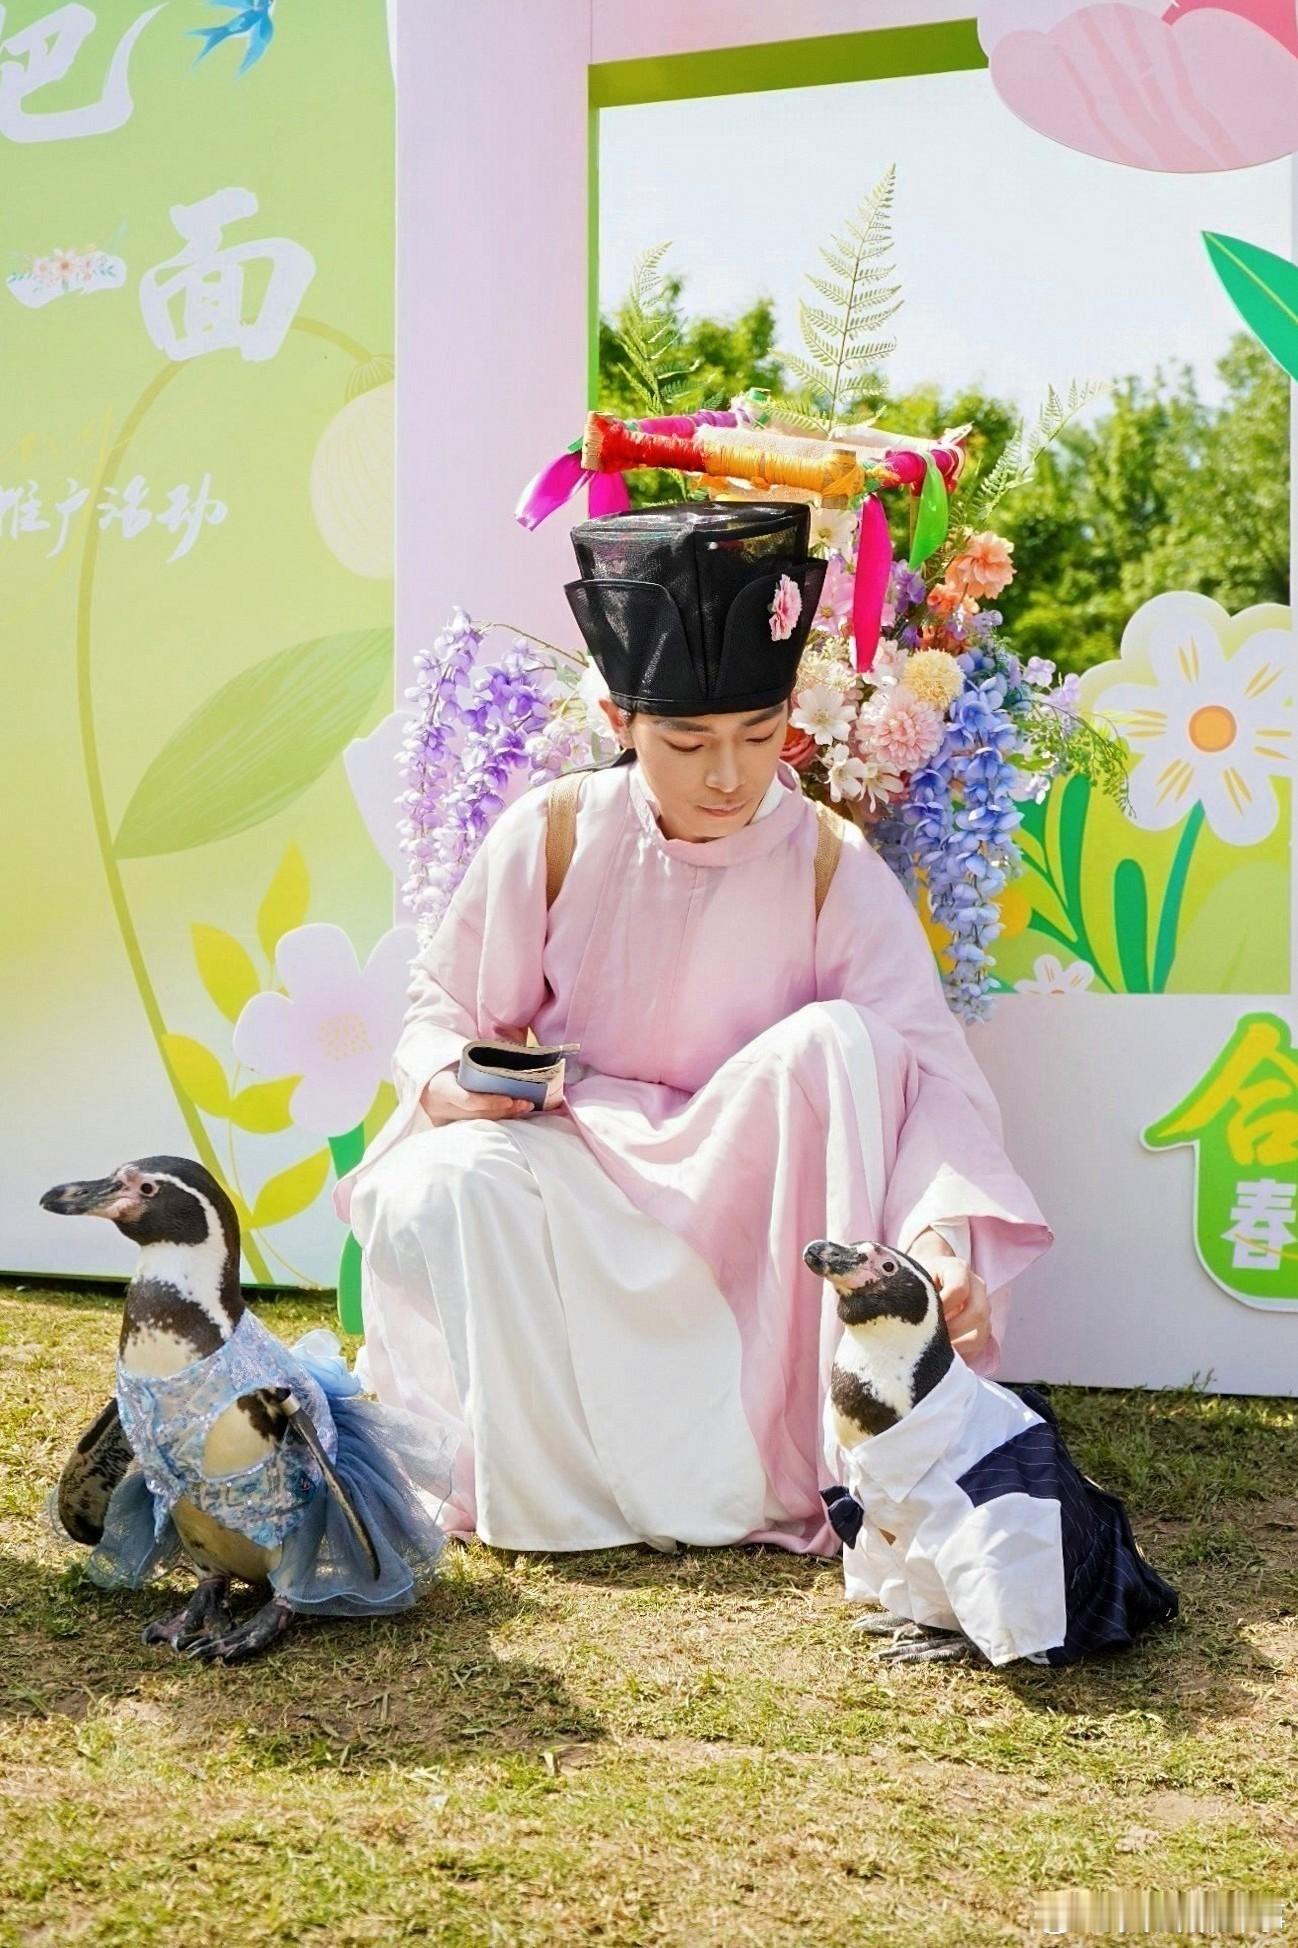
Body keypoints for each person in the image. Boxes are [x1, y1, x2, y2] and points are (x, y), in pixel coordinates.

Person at [334, 500, 1053, 1559]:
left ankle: (750, 1470)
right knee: (441, 1181)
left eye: (758, 736)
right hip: (579, 1169)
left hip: (756, 1207)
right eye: (687, 741)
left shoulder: (829, 863)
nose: (727, 774)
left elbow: (932, 1081)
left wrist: (938, 1245)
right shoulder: (555, 830)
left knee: (844, 1045)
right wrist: (449, 1080)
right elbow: (440, 1012)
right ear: (619, 721)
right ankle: (552, 1494)